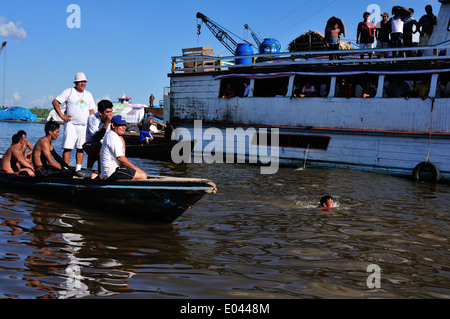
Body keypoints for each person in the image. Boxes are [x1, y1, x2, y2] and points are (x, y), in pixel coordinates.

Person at [52, 72, 96, 176]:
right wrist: (62, 116)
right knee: (68, 147)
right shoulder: (69, 91)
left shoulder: (89, 94)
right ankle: (65, 168)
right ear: (76, 82)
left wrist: (91, 125)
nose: (83, 84)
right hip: (71, 124)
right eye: (81, 82)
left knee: (81, 148)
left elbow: (91, 111)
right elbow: (55, 102)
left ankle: (78, 169)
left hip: (84, 126)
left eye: (84, 82)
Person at [100, 115, 147, 181]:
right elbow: (120, 158)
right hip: (111, 173)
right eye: (121, 125)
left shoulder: (117, 137)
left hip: (115, 169)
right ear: (113, 125)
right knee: (143, 176)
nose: (124, 127)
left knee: (139, 173)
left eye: (124, 125)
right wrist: (135, 168)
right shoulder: (113, 137)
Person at [83, 99, 114, 177]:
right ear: (100, 113)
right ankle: (89, 170)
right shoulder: (92, 118)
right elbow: (96, 138)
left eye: (111, 111)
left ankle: (103, 170)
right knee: (97, 144)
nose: (110, 115)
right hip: (91, 145)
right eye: (107, 112)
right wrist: (106, 124)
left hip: (105, 145)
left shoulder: (112, 119)